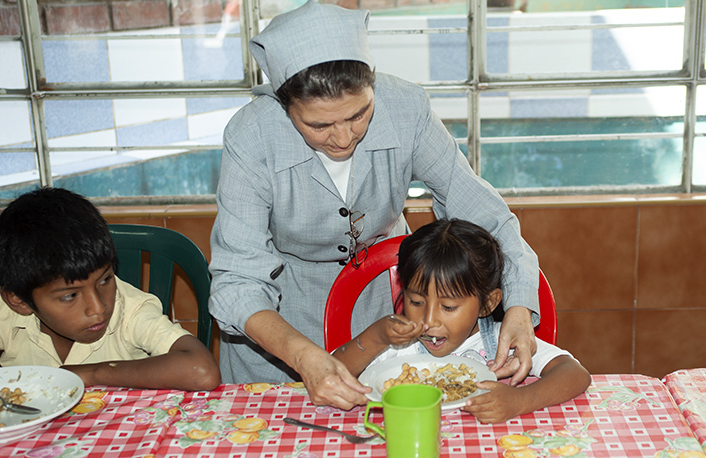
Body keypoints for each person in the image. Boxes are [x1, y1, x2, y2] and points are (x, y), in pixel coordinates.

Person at [209, 0, 541, 410]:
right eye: (318, 125)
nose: (344, 138)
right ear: (284, 104)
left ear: (373, 86)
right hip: (280, 320)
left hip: (378, 312)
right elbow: (237, 281)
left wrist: (520, 306)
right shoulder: (252, 136)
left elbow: (487, 215)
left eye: (359, 114)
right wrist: (302, 356)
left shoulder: (406, 109)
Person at [0, 187, 221, 408]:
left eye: (105, 280)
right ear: (20, 301)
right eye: (70, 295)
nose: (98, 307)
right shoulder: (0, 314)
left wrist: (91, 374)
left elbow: (202, 371)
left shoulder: (130, 310)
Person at [334, 219, 591, 423]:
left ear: (488, 304)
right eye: (416, 302)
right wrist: (374, 338)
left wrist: (519, 400)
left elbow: (575, 374)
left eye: (448, 306)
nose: (430, 320)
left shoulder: (502, 344)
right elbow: (330, 372)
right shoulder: (397, 344)